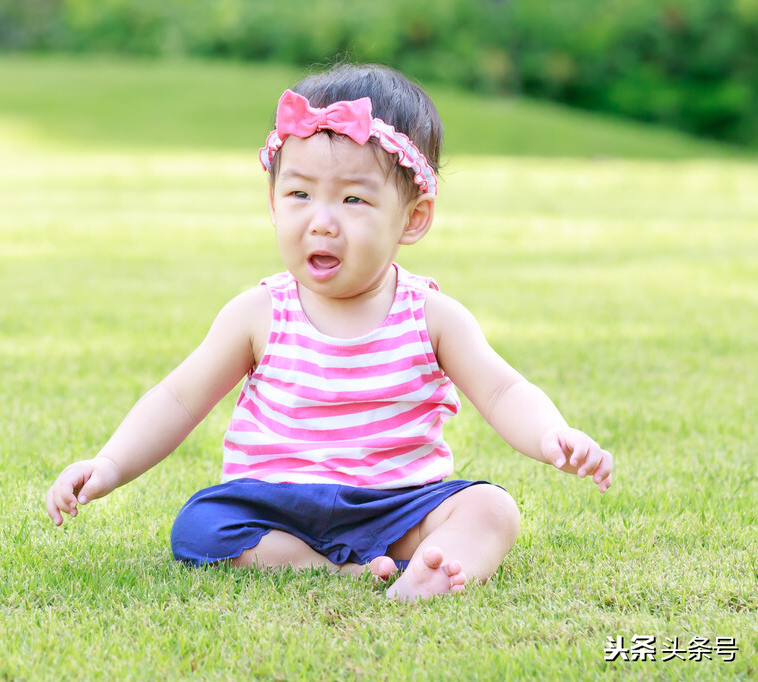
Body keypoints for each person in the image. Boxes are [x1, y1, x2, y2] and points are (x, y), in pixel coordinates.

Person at [45, 62, 613, 602]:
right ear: (272, 201)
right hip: (274, 504)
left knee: (492, 509)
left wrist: (550, 434)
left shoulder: (432, 316)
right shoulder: (258, 312)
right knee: (201, 527)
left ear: (412, 217)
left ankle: (432, 565)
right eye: (299, 194)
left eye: (353, 198)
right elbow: (177, 397)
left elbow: (502, 390)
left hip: (398, 506)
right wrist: (110, 465)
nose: (321, 219)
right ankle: (336, 569)